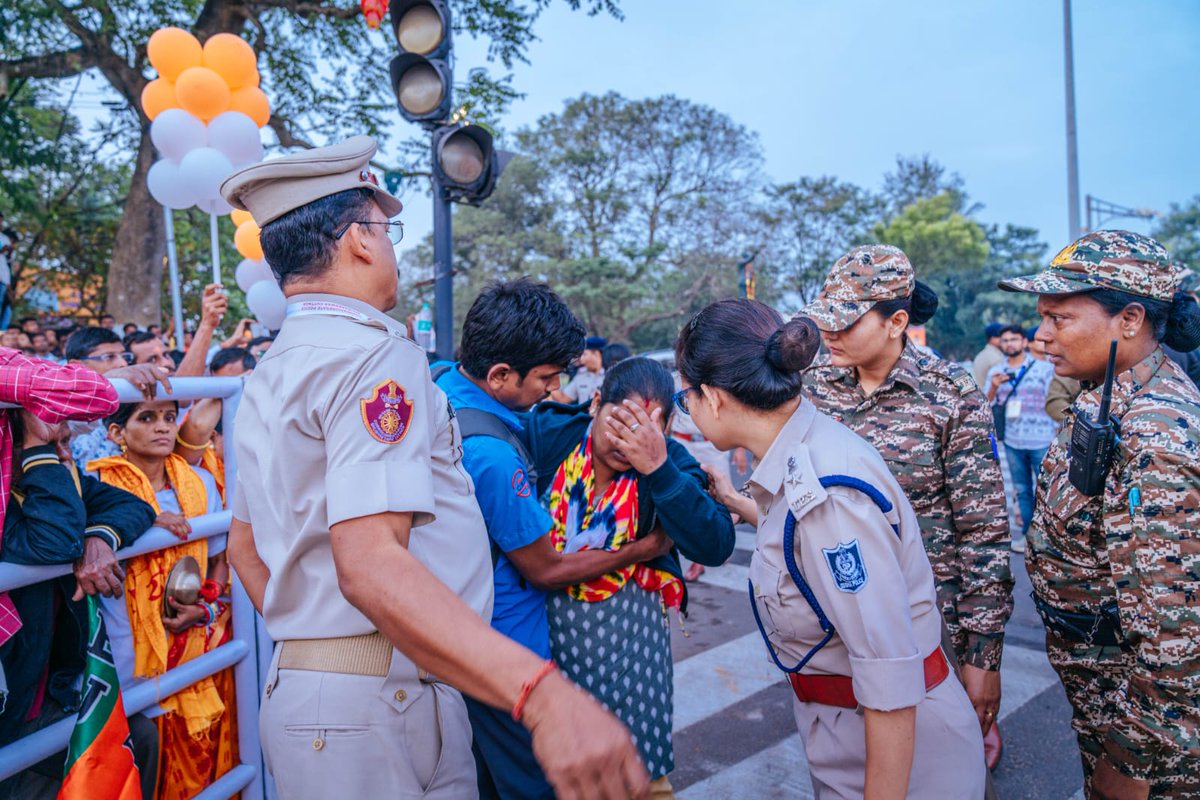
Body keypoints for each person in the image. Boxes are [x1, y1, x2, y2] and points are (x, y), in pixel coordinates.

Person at [219, 135, 649, 800]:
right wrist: (540, 694)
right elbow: (369, 563)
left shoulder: (271, 370)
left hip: (314, 691)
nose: (392, 248)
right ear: (360, 240)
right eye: (386, 230)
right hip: (383, 694)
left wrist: (316, 643)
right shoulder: (373, 357)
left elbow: (245, 549)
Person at [675, 299, 985, 798]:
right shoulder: (804, 450)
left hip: (899, 757)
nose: (685, 409)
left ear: (712, 397)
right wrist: (735, 501)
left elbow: (888, 679)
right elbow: (802, 548)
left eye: (684, 397)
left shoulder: (828, 494)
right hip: (849, 731)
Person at [435, 279, 671, 800]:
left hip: (463, 636)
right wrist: (644, 548)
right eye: (545, 377)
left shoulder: (443, 385)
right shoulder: (493, 455)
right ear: (500, 375)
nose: (553, 388)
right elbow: (545, 568)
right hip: (505, 655)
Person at [998, 230, 1200, 798]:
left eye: (1059, 318)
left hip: (1151, 745)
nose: (1041, 335)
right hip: (1102, 692)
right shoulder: (1104, 392)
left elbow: (1176, 634)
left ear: (1129, 319)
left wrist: (1130, 763)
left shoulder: (1155, 435)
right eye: (1041, 317)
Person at [795, 244, 1013, 768]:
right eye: (825, 319)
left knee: (945, 767)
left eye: (846, 322)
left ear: (896, 322)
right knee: (858, 761)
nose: (829, 333)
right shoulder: (813, 387)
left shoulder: (949, 393)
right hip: (840, 618)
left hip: (931, 621)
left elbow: (984, 530)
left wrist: (983, 655)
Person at [525, 357, 737, 797]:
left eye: (648, 429)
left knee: (638, 773)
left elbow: (714, 545)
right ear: (595, 403)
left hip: (631, 657)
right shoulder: (550, 435)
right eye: (621, 422)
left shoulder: (669, 463)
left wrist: (658, 468)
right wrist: (641, 549)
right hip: (545, 650)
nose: (631, 441)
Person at [0, 413, 157, 800]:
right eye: (48, 445)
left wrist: (99, 538)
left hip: (43, 697)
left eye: (66, 442)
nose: (65, 456)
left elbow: (135, 506)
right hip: (9, 710)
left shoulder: (63, 480)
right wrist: (38, 451)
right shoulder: (8, 499)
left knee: (139, 737)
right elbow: (54, 541)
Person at [88, 399, 234, 800]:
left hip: (191, 651)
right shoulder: (97, 484)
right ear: (115, 432)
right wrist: (144, 517)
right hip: (125, 655)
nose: (163, 427)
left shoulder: (199, 483)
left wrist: (204, 609)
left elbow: (219, 562)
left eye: (170, 417)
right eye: (147, 417)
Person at [984, 324, 1057, 552]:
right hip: (1013, 440)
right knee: (1022, 491)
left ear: (1025, 342)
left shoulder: (1045, 369)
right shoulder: (996, 371)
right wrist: (994, 387)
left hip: (1043, 439)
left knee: (1048, 490)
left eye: (1014, 339)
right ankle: (1026, 538)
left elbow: (1054, 401)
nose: (1009, 344)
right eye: (1005, 340)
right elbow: (985, 405)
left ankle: (1051, 541)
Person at [64, 326, 173, 470]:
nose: (122, 364)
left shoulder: (135, 396)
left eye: (124, 357)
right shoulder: (64, 406)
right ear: (77, 367)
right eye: (109, 357)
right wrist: (106, 381)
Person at [553, 335, 606, 404]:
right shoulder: (580, 375)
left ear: (596, 354)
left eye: (584, 354)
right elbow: (563, 399)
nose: (581, 359)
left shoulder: (611, 374)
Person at [972, 322, 1005, 389]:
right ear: (991, 338)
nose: (1004, 340)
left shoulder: (981, 355)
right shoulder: (995, 357)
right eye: (1000, 336)